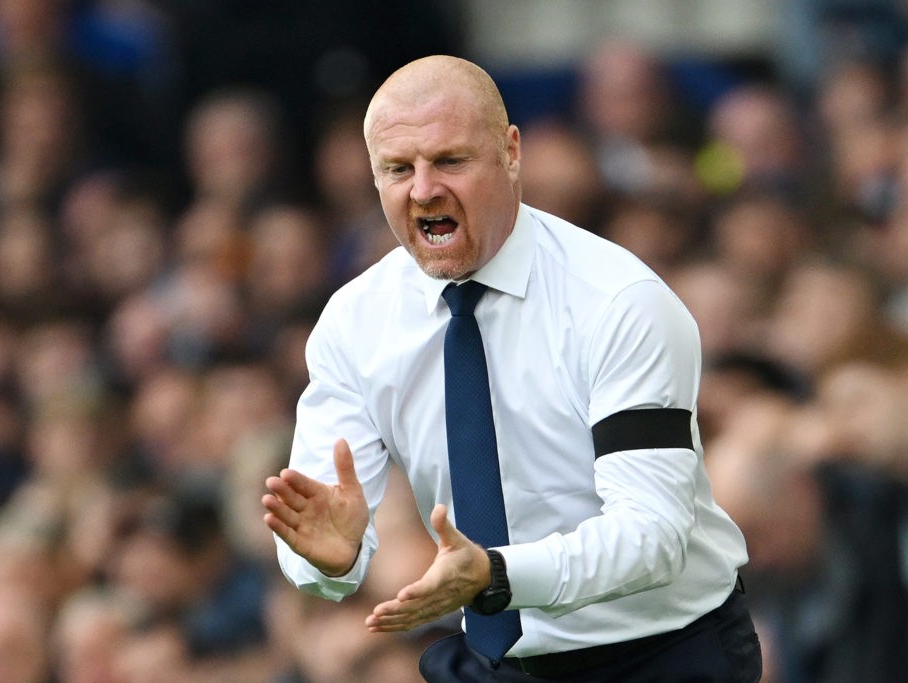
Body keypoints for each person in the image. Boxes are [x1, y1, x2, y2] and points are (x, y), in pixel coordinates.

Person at [262, 54, 761, 682]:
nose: (423, 189)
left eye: (450, 161)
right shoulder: (353, 321)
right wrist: (330, 562)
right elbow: (319, 539)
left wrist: (497, 575)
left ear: (511, 153)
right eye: (398, 169)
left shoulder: (620, 302)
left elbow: (652, 535)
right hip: (498, 660)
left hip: (663, 654)